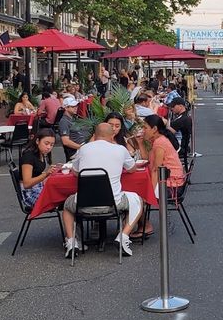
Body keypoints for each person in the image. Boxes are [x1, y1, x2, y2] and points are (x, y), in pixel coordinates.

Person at [61, 123, 142, 258]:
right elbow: (132, 168)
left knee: (67, 206)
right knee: (138, 200)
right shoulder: (120, 149)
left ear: (94, 135)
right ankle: (124, 235)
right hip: (113, 204)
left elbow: (75, 172)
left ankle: (71, 241)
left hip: (83, 204)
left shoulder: (84, 149)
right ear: (112, 136)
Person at [137, 115, 185, 199]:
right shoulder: (158, 140)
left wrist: (150, 194)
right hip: (173, 182)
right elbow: (146, 158)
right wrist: (140, 143)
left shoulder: (160, 143)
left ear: (154, 129)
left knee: (138, 192)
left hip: (171, 186)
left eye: (145, 128)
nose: (143, 131)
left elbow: (156, 170)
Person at [19, 128, 58, 209]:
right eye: (46, 143)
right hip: (30, 194)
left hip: (37, 187)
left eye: (51, 145)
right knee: (62, 198)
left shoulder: (41, 153)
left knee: (62, 190)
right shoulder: (28, 156)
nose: (49, 147)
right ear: (37, 141)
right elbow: (27, 184)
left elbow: (37, 174)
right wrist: (46, 174)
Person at [58, 96, 88, 161]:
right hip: (75, 151)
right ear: (66, 108)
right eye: (73, 106)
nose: (75, 108)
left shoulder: (72, 118)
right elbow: (65, 141)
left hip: (81, 145)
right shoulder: (64, 122)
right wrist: (81, 148)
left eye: (76, 106)